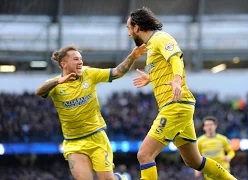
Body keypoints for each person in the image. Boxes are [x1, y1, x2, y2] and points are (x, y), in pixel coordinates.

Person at [128, 7, 237, 180]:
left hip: (175, 106)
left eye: (128, 29)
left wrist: (177, 81)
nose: (128, 34)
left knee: (144, 155)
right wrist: (151, 77)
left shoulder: (160, 38)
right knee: (194, 161)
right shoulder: (151, 46)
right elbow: (165, 67)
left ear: (136, 28)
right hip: (179, 107)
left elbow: (176, 59)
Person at [35, 44, 146, 180]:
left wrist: (132, 56)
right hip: (73, 143)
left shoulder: (89, 74)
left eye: (81, 59)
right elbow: (39, 91)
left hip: (96, 138)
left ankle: (118, 178)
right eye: (76, 59)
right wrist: (58, 81)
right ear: (64, 64)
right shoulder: (55, 85)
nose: (80, 62)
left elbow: (117, 72)